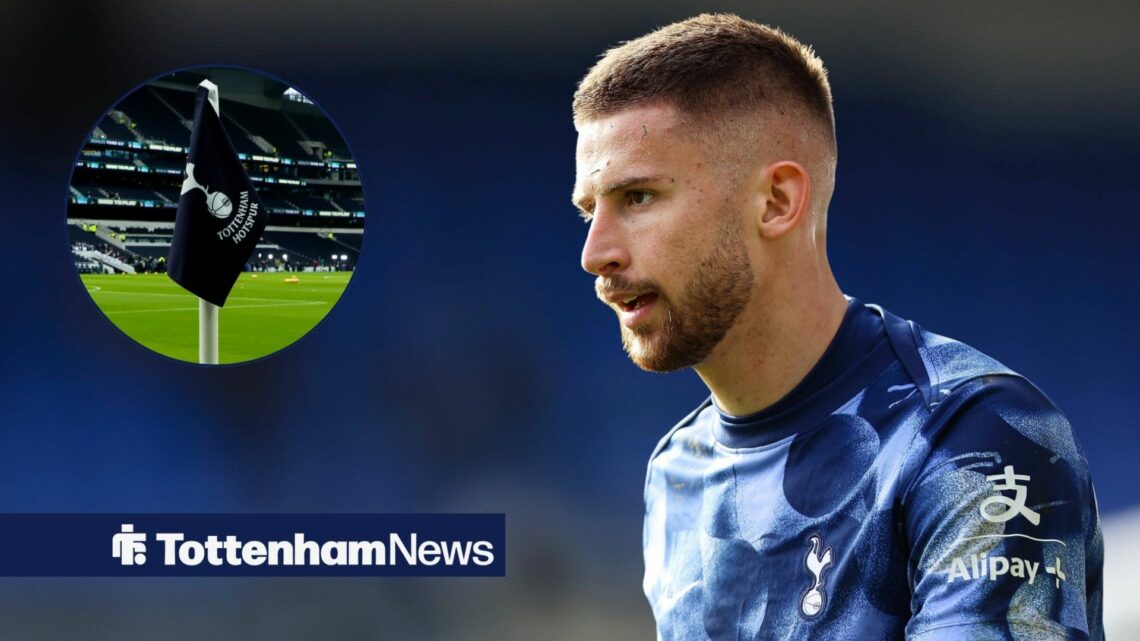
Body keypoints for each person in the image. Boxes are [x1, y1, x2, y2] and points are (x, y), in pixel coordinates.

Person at [570, 14, 1103, 640]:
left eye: (637, 198)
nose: (595, 254)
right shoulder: (676, 471)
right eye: (588, 211)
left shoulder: (973, 436)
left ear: (776, 202)